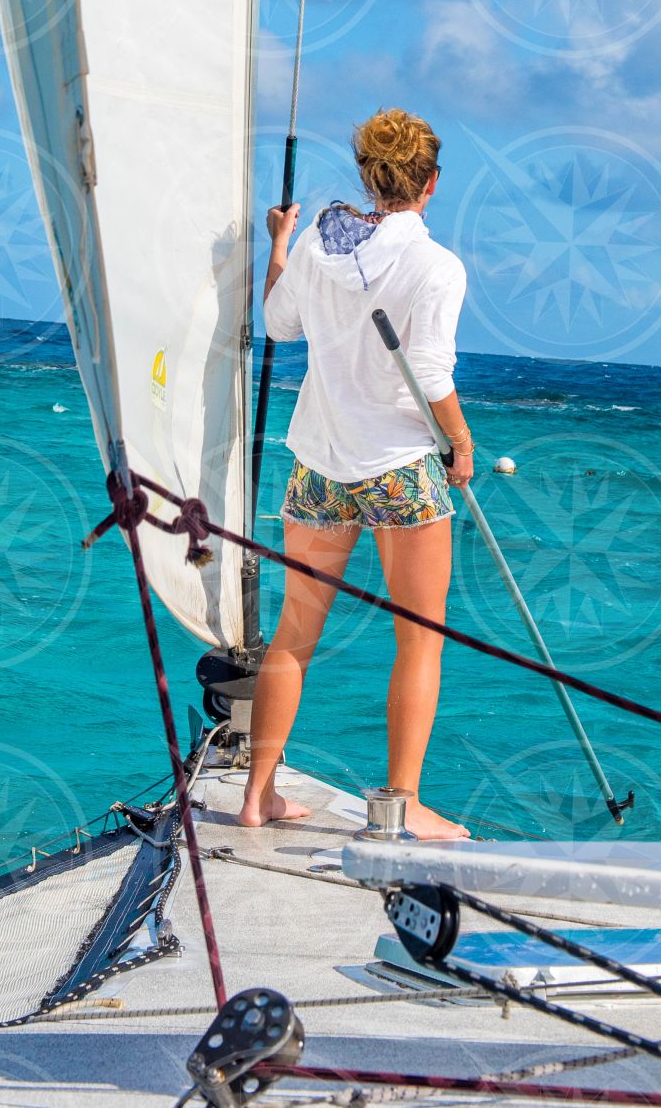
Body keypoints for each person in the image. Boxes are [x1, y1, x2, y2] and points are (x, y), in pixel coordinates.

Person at [239, 107, 473, 839]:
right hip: (399, 468)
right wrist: (461, 441)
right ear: (431, 183)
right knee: (419, 637)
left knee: (294, 633)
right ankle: (401, 808)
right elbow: (431, 371)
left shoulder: (318, 241)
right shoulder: (436, 266)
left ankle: (259, 795)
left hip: (319, 464)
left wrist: (279, 244)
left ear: (369, 176)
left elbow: (279, 323)